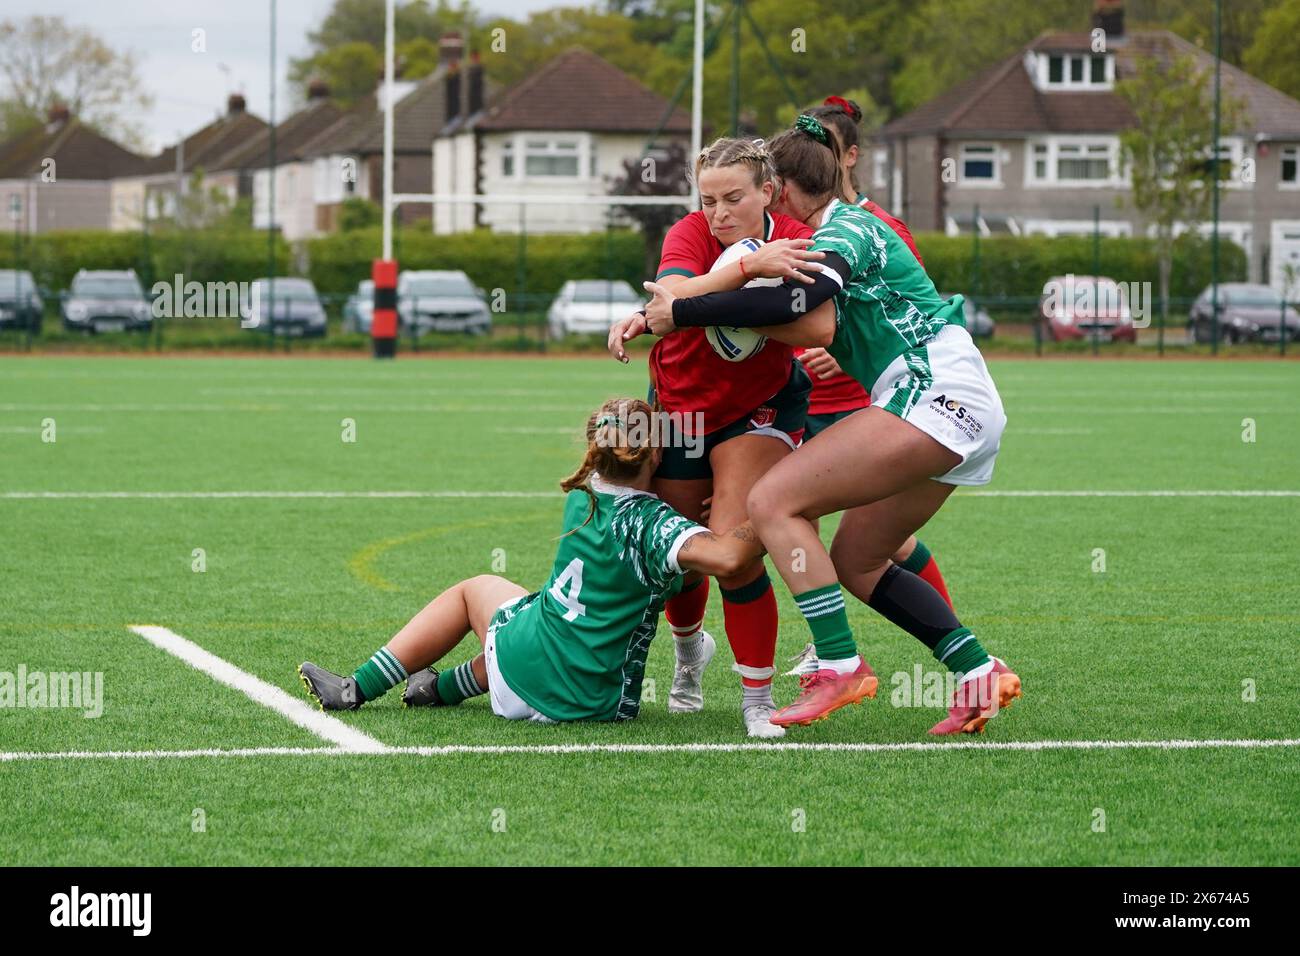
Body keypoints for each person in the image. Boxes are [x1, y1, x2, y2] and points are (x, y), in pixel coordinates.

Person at [641, 115, 1021, 734]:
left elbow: (789, 304)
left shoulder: (848, 228)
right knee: (859, 559)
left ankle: (840, 665)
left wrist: (682, 308)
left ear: (779, 190)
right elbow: (802, 320)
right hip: (958, 406)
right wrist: (685, 305)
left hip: (934, 393)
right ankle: (978, 671)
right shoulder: (833, 229)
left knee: (771, 501)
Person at [298, 398, 766, 724]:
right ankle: (433, 689)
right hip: (592, 703)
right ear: (656, 454)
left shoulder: (583, 496)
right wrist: (770, 508)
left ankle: (357, 688)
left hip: (525, 670)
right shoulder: (654, 525)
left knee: (483, 595)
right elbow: (726, 558)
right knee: (529, 621)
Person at [606, 138, 825, 738]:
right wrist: (747, 269)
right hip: (679, 406)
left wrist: (744, 283)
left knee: (733, 553)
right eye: (708, 200)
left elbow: (816, 319)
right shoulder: (687, 235)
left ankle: (757, 699)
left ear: (768, 192)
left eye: (734, 198)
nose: (719, 213)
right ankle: (688, 655)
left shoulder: (798, 241)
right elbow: (671, 299)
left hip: (759, 410)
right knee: (683, 556)